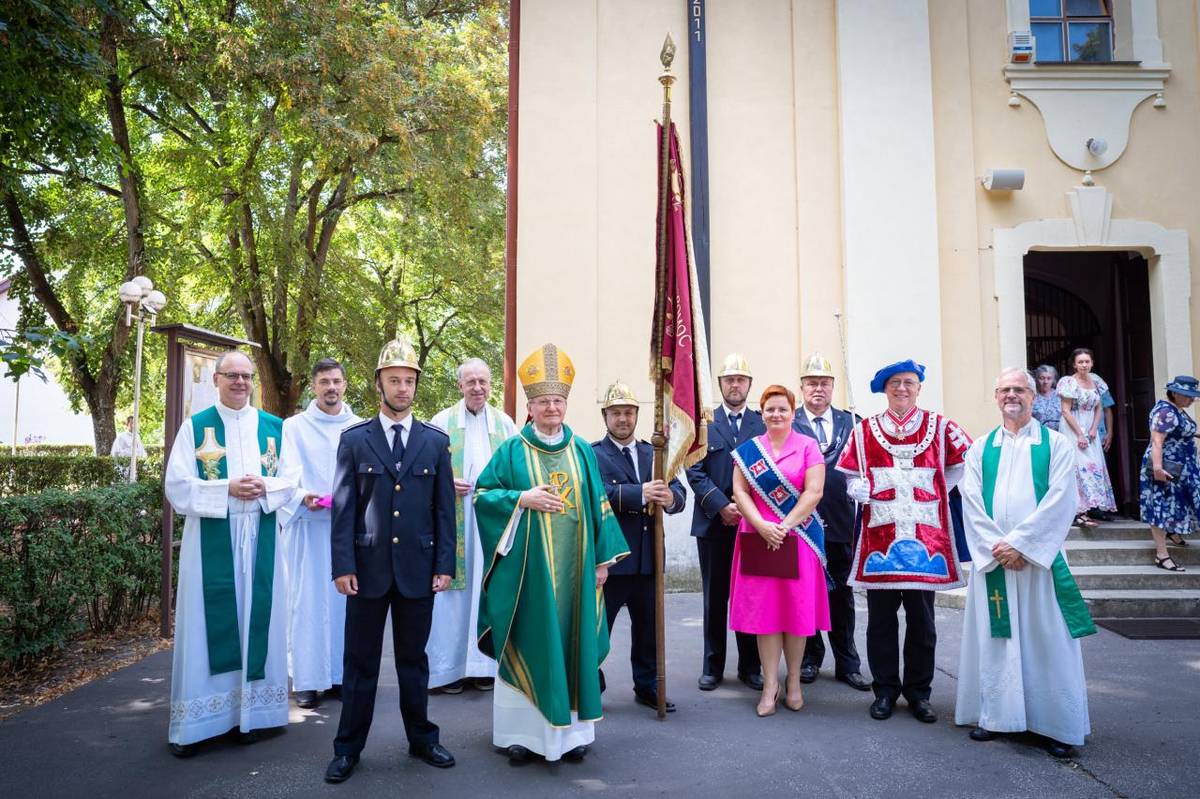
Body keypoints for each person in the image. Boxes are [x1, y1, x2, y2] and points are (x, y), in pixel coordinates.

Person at [473, 344, 629, 764]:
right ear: (530, 406)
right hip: (529, 578)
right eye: (543, 401)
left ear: (565, 404)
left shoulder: (580, 450)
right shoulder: (511, 450)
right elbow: (483, 497)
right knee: (532, 640)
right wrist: (522, 498)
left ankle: (573, 737)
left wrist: (601, 560)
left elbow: (598, 503)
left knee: (572, 644)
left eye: (557, 401)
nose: (551, 408)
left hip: (576, 573)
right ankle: (521, 735)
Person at [324, 337, 456, 783]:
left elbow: (444, 511)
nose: (402, 388)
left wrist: (445, 564)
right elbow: (343, 510)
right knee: (359, 663)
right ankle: (347, 748)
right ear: (378, 384)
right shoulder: (355, 440)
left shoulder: (435, 442)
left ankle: (422, 739)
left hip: (419, 571)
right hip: (366, 572)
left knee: (413, 662)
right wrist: (342, 566)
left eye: (409, 381)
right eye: (394, 380)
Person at [955, 368, 1095, 758]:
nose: (1011, 395)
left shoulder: (1056, 445)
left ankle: (1055, 725)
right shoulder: (981, 447)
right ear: (996, 396)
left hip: (1039, 563)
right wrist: (998, 549)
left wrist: (1022, 546)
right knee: (997, 640)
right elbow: (971, 502)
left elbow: (1061, 500)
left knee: (1046, 639)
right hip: (996, 562)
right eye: (1004, 390)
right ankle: (996, 716)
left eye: (1019, 389)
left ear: (1034, 396)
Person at [163, 351, 294, 757]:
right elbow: (177, 485)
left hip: (261, 538)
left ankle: (251, 717)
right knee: (208, 627)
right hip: (213, 541)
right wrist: (226, 489)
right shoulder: (195, 427)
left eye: (246, 376)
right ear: (216, 379)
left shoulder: (274, 428)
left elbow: (293, 480)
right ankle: (198, 724)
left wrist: (265, 488)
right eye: (232, 375)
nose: (240, 382)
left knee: (258, 622)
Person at [838, 359, 972, 723]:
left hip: (924, 543)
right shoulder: (864, 431)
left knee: (922, 623)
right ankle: (884, 690)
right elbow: (849, 474)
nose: (902, 388)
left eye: (909, 382)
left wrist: (945, 486)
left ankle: (919, 693)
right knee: (880, 622)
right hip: (880, 540)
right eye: (895, 383)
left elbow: (967, 461)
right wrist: (857, 489)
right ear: (885, 389)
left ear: (918, 387)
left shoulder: (941, 427)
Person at [729, 384, 828, 716]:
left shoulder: (808, 447)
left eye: (782, 409)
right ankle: (770, 684)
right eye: (770, 409)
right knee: (766, 615)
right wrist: (761, 524)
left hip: (797, 538)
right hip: (758, 536)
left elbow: (813, 492)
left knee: (796, 613)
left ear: (792, 412)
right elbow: (740, 492)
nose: (776, 414)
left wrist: (784, 526)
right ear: (762, 412)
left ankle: (795, 681)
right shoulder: (749, 450)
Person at [592, 381, 687, 712]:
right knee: (598, 629)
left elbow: (679, 496)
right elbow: (596, 495)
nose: (623, 419)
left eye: (629, 412)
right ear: (605, 416)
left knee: (648, 629)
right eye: (616, 413)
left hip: (649, 559)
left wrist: (671, 497)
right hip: (612, 560)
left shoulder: (654, 453)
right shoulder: (592, 455)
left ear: (636, 416)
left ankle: (647, 685)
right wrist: (640, 494)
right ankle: (591, 684)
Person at [427, 358, 518, 694]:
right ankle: (448, 669)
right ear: (460, 386)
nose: (478, 388)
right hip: (454, 519)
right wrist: (446, 482)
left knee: (488, 587)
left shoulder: (505, 424)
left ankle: (483, 666)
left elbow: (516, 470)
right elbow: (425, 468)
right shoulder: (441, 422)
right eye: (471, 382)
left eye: (483, 381)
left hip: (490, 523)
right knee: (453, 596)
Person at [276, 358, 361, 710]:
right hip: (309, 531)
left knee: (347, 607)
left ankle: (341, 675)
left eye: (337, 381)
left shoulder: (360, 426)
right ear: (314, 386)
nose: (331, 388)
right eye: (324, 381)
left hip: (349, 532)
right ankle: (308, 680)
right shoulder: (294, 427)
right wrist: (300, 497)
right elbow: (285, 473)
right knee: (307, 604)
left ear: (345, 384)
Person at [686, 353, 766, 692]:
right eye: (729, 379)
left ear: (749, 384)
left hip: (753, 526)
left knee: (750, 596)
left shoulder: (763, 424)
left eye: (741, 379)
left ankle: (750, 667)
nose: (735, 384)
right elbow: (694, 470)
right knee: (714, 598)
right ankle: (713, 665)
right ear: (720, 385)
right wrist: (721, 506)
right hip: (714, 525)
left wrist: (748, 510)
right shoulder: (703, 423)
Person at [791, 354, 870, 692]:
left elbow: (867, 464)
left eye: (824, 383)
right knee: (805, 593)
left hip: (840, 522)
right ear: (802, 388)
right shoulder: (789, 423)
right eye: (812, 383)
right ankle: (810, 657)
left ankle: (847, 662)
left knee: (843, 596)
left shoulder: (852, 422)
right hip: (802, 523)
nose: (818, 389)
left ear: (833, 387)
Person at [1139, 375, 1200, 572]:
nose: (1192, 399)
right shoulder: (1165, 411)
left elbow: (1180, 431)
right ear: (1174, 393)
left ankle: (1173, 532)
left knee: (1179, 501)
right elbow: (1157, 441)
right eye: (1188, 395)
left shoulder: (1177, 410)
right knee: (1161, 507)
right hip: (1167, 466)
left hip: (1182, 467)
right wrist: (1157, 469)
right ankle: (1162, 555)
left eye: (1193, 396)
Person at [1056, 348, 1117, 528]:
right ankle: (1077, 512)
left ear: (1092, 363)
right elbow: (1065, 410)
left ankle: (1088, 508)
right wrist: (1080, 434)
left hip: (1090, 428)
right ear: (1074, 364)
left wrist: (1093, 429)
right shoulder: (1068, 382)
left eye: (1087, 361)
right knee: (1078, 466)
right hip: (1072, 426)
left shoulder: (1096, 382)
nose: (1084, 365)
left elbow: (1099, 407)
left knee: (1094, 466)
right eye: (1080, 362)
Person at [1031, 365, 1061, 431]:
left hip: (1059, 434)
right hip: (1038, 434)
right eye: (1042, 378)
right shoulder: (1031, 396)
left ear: (1053, 380)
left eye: (1049, 378)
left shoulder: (1060, 395)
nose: (1045, 382)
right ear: (1036, 379)